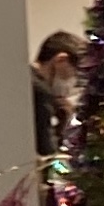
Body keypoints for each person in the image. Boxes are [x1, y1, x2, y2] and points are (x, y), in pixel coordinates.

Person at [30, 28, 85, 158]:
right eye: (75, 74)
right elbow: (48, 153)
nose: (72, 83)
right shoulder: (40, 90)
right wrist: (67, 122)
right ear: (61, 60)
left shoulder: (26, 80)